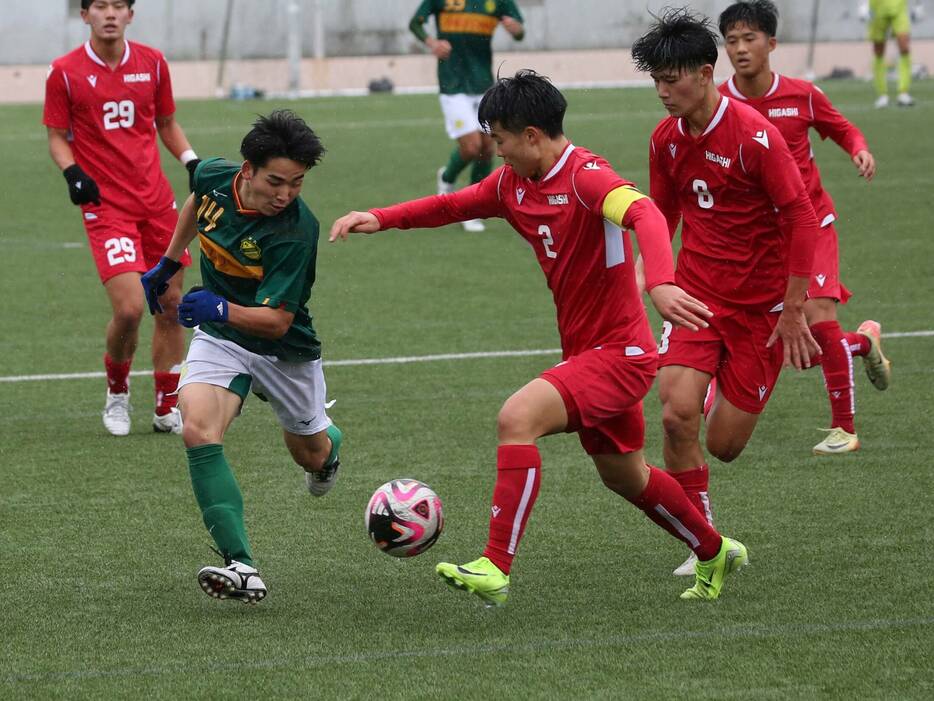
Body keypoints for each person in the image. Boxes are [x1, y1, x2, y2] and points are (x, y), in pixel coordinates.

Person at [331, 70, 747, 606]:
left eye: (500, 139)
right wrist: (379, 218)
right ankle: (713, 550)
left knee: (516, 417)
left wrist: (661, 283)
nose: (495, 150)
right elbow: (452, 206)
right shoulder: (513, 184)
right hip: (586, 352)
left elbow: (642, 212)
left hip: (620, 354)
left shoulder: (586, 178)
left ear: (531, 135)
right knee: (626, 476)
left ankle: (495, 566)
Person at [631, 9, 822, 576]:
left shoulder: (755, 138)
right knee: (673, 416)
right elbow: (662, 215)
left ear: (706, 72)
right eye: (656, 81)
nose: (663, 92)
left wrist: (793, 311)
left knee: (725, 445)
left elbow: (801, 219)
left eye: (673, 80)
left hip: (762, 310)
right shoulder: (666, 138)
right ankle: (703, 541)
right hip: (697, 299)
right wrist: (651, 275)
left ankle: (721, 392)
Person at [141, 110, 343, 604]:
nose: (285, 194)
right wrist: (170, 262)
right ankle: (242, 565)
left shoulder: (296, 231)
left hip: (283, 349)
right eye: (276, 181)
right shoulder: (214, 174)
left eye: (296, 184)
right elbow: (196, 201)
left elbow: (276, 321)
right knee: (197, 429)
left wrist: (218, 304)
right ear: (247, 170)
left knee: (309, 452)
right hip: (220, 336)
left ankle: (328, 447)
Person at [718, 0, 891, 458]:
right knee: (791, 341)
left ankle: (844, 428)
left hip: (811, 223)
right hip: (760, 238)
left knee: (818, 315)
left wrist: (859, 149)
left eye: (749, 38)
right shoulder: (719, 104)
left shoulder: (802, 95)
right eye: (731, 40)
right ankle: (863, 343)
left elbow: (841, 129)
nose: (740, 48)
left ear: (771, 43)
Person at [43, 0, 200, 436]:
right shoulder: (65, 71)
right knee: (131, 308)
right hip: (106, 208)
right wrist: (72, 172)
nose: (109, 13)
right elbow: (57, 136)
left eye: (118, 5)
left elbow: (167, 123)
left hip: (157, 204)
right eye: (100, 5)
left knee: (170, 305)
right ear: (85, 15)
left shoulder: (152, 63)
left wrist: (191, 162)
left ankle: (167, 404)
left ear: (131, 14)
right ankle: (117, 394)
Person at [409, 0, 525, 232]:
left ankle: (471, 208)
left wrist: (515, 28)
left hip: (483, 83)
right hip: (453, 85)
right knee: (472, 147)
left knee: (488, 148)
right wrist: (432, 42)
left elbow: (520, 32)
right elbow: (415, 23)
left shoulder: (497, 2)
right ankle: (447, 178)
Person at [860, 0, 922, 107]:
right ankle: (882, 94)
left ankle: (903, 92)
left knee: (904, 47)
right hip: (877, 6)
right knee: (879, 50)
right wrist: (862, 4)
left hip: (899, 6)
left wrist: (918, 5)